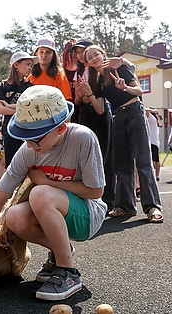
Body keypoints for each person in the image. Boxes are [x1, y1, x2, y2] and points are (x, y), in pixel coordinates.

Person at [0, 85, 107, 301]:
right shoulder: (29, 150)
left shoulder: (82, 138)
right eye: (25, 137)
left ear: (61, 129)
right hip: (56, 208)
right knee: (14, 216)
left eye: (35, 138)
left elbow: (96, 191)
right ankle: (61, 251)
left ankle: (68, 272)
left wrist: (46, 182)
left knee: (40, 193)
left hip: (88, 214)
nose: (29, 145)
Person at [83, 45, 163, 223]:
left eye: (96, 54)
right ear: (87, 62)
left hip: (135, 111)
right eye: (90, 57)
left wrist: (124, 87)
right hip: (117, 116)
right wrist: (89, 92)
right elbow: (100, 109)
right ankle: (126, 207)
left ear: (103, 54)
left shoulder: (119, 67)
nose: (94, 57)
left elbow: (139, 91)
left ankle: (153, 207)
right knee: (121, 164)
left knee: (143, 161)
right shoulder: (96, 81)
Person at [73, 39, 115, 211]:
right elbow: (78, 99)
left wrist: (87, 94)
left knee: (105, 158)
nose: (81, 56)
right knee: (85, 159)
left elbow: (100, 105)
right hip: (85, 115)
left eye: (85, 53)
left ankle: (108, 200)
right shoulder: (80, 72)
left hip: (101, 117)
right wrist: (82, 95)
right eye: (78, 53)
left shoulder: (101, 72)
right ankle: (90, 200)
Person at [0, 51, 38, 169]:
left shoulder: (30, 88)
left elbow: (31, 109)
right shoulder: (2, 86)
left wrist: (8, 106)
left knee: (29, 165)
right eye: (27, 64)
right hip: (10, 130)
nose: (30, 68)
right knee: (11, 166)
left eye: (31, 65)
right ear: (16, 65)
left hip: (28, 130)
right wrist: (19, 109)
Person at [28, 37, 72, 101]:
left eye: (48, 52)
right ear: (36, 54)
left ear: (53, 55)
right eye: (41, 52)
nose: (44, 55)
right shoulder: (30, 76)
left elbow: (67, 100)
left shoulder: (59, 75)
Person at [61, 39, 78, 122]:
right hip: (64, 111)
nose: (73, 54)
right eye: (71, 51)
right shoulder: (59, 72)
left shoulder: (85, 71)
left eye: (76, 51)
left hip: (81, 111)